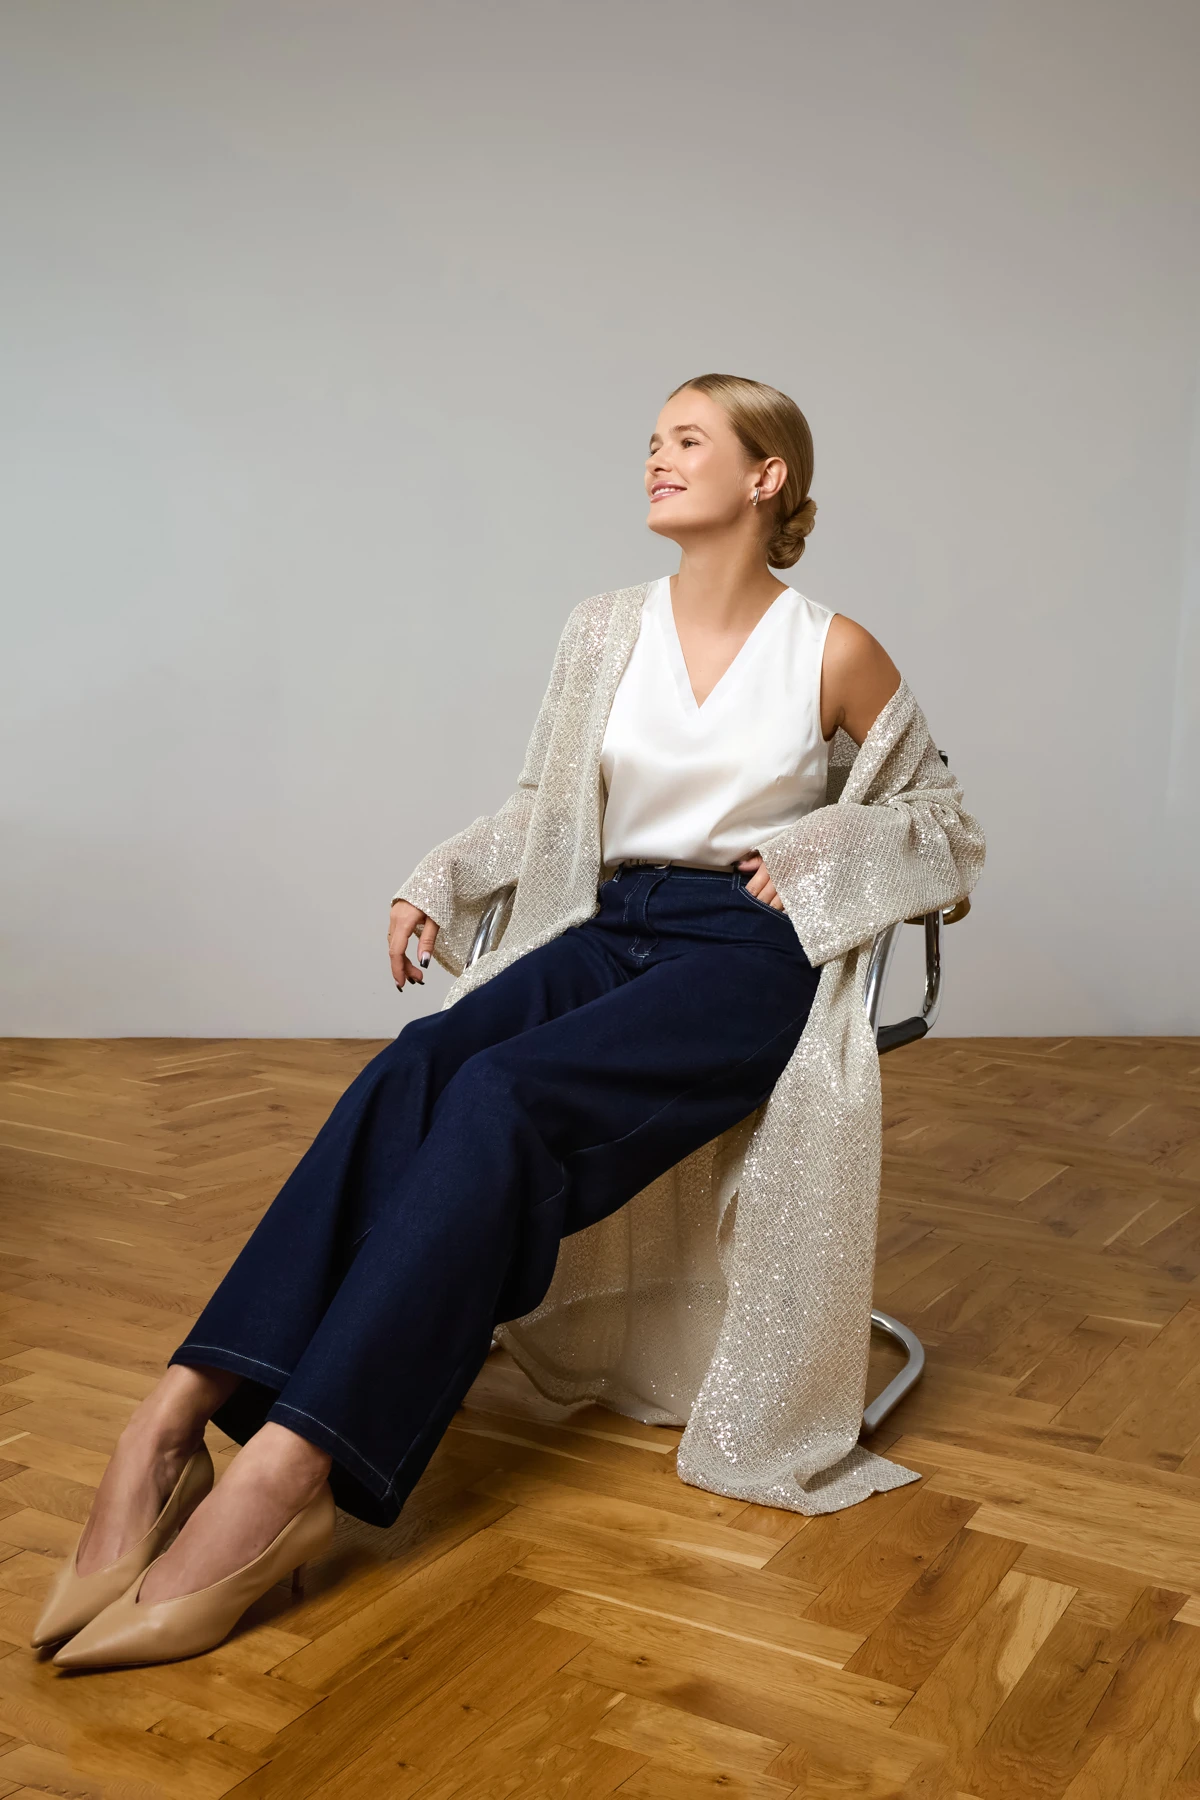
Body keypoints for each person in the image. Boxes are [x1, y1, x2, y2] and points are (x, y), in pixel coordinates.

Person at [35, 373, 939, 1670]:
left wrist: (821, 850)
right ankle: (177, 1412)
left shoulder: (833, 649)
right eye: (653, 440)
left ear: (767, 476)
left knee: (503, 1100)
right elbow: (543, 804)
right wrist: (441, 877)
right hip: (613, 924)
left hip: (743, 960)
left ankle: (288, 1473)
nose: (656, 457)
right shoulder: (604, 631)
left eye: (688, 439)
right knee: (417, 1068)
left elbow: (937, 820)